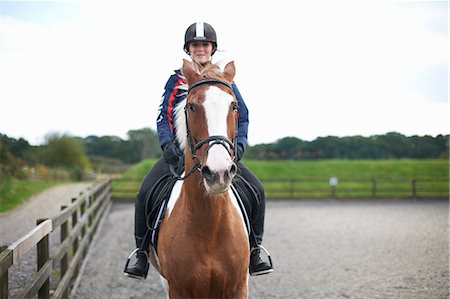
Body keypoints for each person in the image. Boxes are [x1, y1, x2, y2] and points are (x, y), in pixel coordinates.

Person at [124, 22, 273, 279]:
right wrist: (167, 145)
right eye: (196, 45)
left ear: (212, 48)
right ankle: (140, 254)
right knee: (145, 192)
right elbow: (163, 117)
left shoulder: (224, 80)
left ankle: (255, 249)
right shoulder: (176, 79)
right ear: (189, 49)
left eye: (205, 44)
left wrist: (238, 145)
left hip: (219, 152)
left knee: (257, 189)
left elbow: (243, 115)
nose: (200, 49)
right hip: (181, 155)